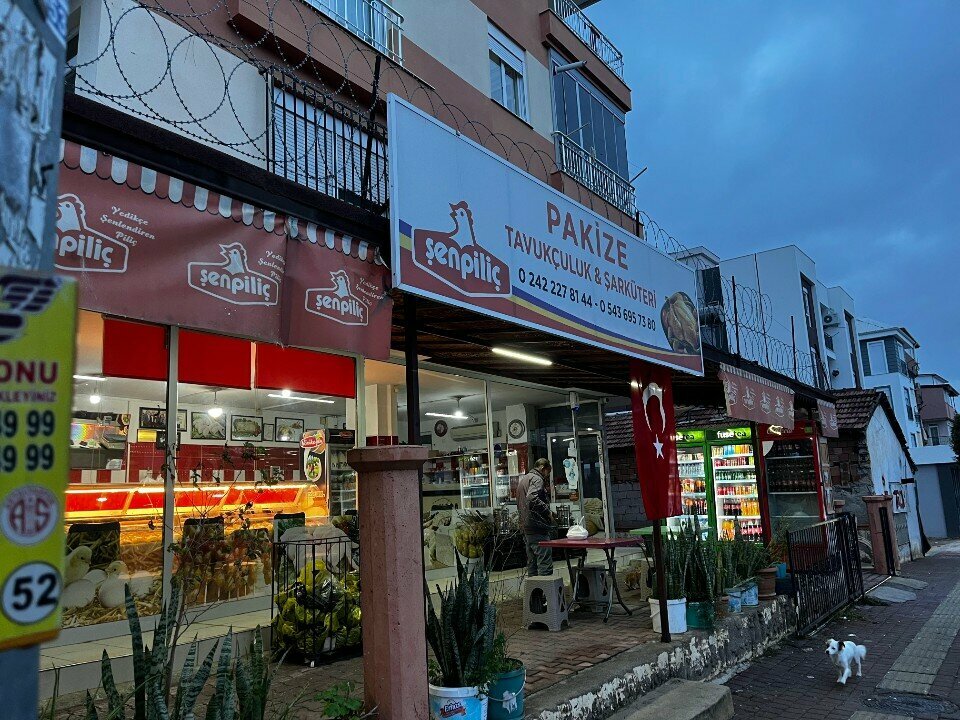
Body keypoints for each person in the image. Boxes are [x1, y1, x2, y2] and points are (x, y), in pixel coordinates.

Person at [517, 458, 553, 576]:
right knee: (544, 564)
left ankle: (534, 593)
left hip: (526, 528)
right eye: (548, 472)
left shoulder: (524, 479)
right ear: (543, 468)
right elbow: (532, 498)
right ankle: (546, 592)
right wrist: (547, 512)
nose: (547, 477)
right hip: (537, 526)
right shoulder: (537, 479)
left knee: (532, 565)